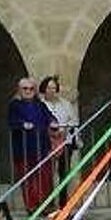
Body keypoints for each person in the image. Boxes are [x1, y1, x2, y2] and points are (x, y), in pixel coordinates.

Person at [8, 77, 58, 209]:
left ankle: (47, 205)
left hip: (41, 147)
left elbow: (50, 117)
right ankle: (32, 206)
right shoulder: (14, 105)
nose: (28, 91)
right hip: (23, 149)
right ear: (19, 90)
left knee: (46, 178)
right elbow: (12, 122)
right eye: (25, 88)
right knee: (28, 180)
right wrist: (23, 125)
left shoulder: (40, 105)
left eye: (31, 89)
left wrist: (53, 122)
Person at [40, 75, 80, 208]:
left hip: (64, 142)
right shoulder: (40, 104)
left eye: (54, 88)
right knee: (47, 175)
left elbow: (73, 121)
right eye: (48, 88)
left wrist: (64, 130)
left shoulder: (66, 104)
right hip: (46, 143)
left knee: (64, 173)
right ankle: (49, 204)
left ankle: (63, 204)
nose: (51, 91)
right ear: (44, 89)